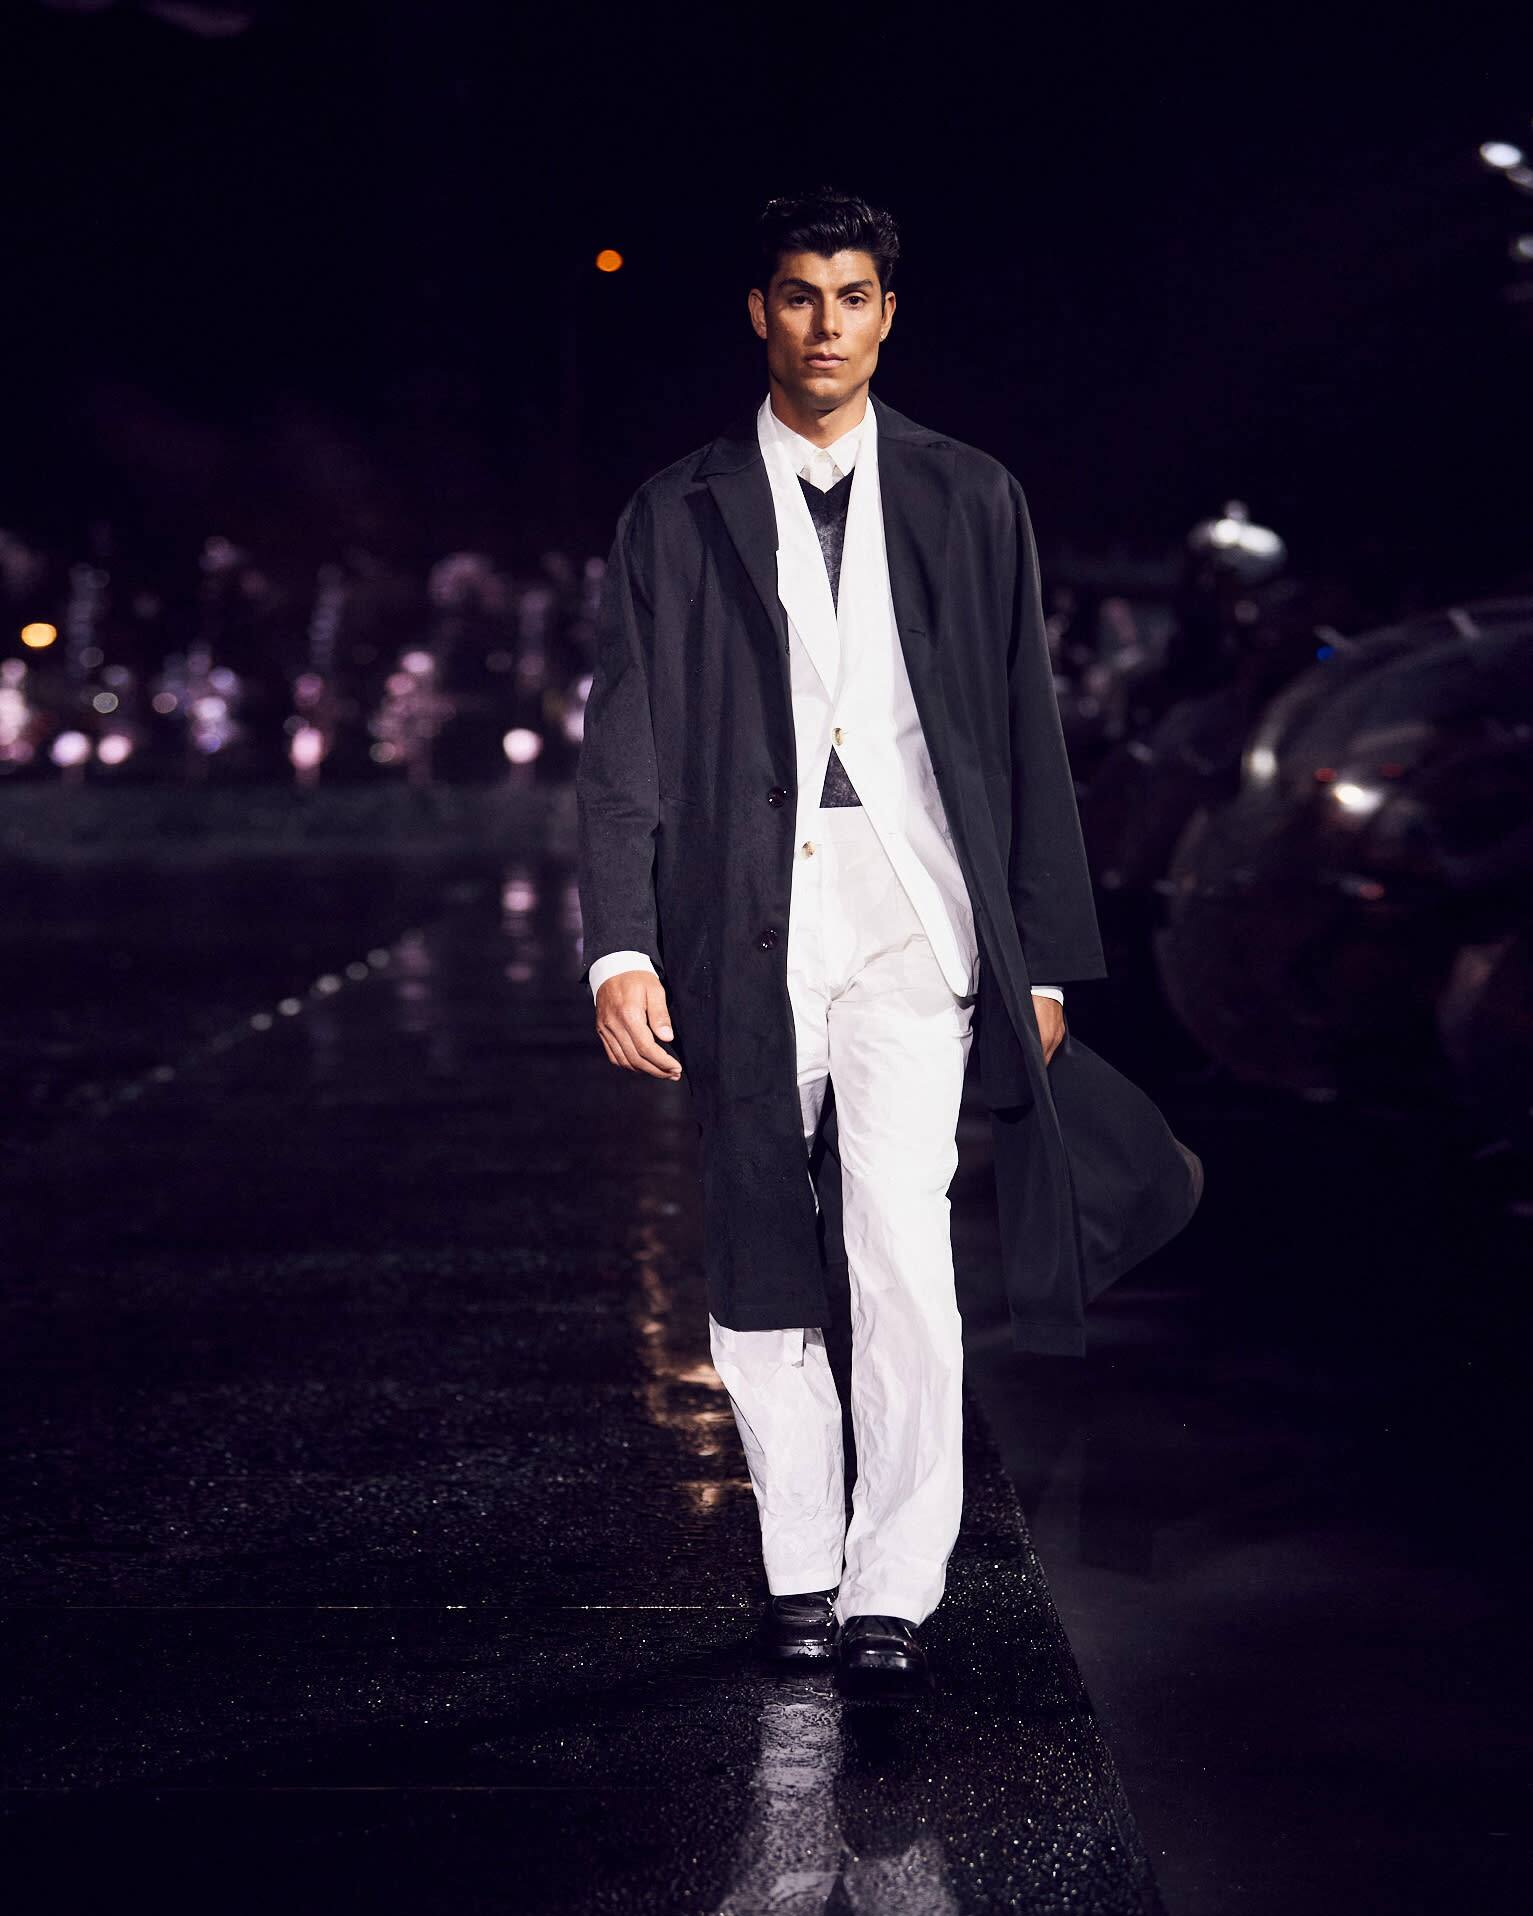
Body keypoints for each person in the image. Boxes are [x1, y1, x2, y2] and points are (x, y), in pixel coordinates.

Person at [576, 187, 1197, 1694]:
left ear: (887, 315)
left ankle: (892, 1585)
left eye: (852, 296)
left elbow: (1024, 727)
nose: (825, 325)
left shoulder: (970, 494)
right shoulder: (677, 507)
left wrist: (1040, 954)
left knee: (904, 1244)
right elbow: (625, 738)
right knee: (755, 1233)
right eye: (799, 295)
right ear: (759, 313)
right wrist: (618, 944)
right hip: (743, 910)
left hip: (920, 911)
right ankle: (799, 1558)